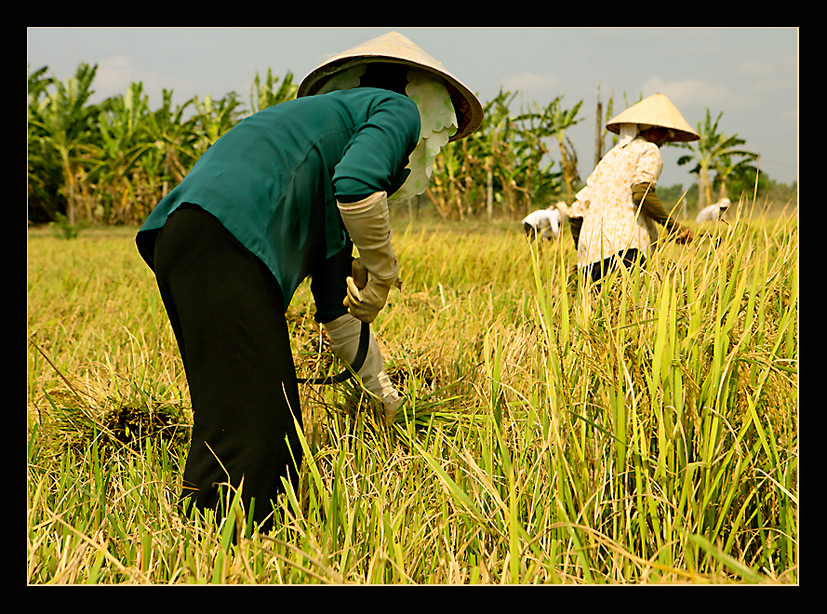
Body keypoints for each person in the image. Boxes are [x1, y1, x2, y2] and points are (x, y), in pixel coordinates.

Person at [134, 31, 483, 530]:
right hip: (225, 237)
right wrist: (383, 272)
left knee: (241, 411)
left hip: (185, 236)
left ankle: (204, 543)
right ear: (422, 96)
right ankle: (229, 552)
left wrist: (383, 395)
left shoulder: (321, 156)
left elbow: (336, 312)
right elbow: (359, 183)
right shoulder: (393, 108)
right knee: (262, 430)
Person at [567, 93, 696, 283]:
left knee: (597, 312)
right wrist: (674, 228)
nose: (665, 140)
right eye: (664, 132)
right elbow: (641, 194)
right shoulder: (649, 150)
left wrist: (585, 249)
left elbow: (576, 212)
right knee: (631, 309)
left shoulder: (609, 158)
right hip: (628, 251)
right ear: (651, 129)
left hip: (591, 259)